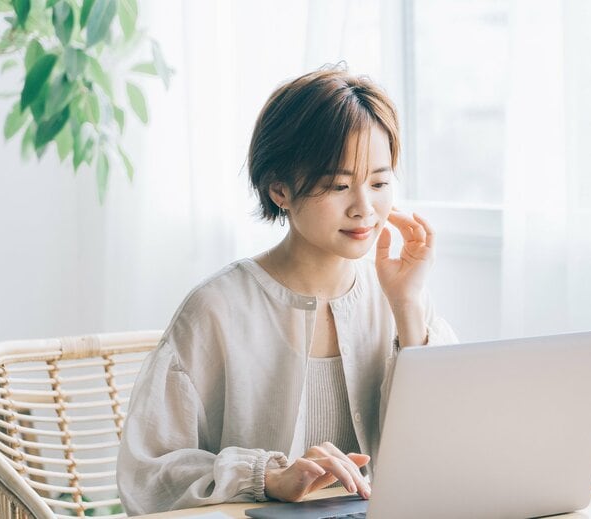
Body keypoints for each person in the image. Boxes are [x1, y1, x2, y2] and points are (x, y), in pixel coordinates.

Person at [116, 65, 457, 515]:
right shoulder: (216, 310)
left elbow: (451, 447)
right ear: (280, 189)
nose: (364, 208)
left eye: (379, 183)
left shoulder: (397, 294)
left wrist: (408, 306)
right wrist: (267, 477)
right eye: (338, 185)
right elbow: (146, 476)